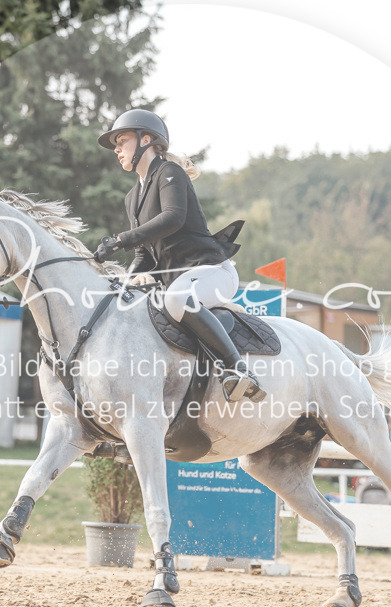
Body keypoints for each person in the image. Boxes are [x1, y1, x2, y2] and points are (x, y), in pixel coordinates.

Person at [93, 108, 264, 403]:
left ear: (146, 139)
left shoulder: (169, 174)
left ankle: (240, 371)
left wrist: (120, 239)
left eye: (122, 141)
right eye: (116, 146)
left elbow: (173, 218)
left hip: (213, 272)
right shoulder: (132, 198)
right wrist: (124, 284)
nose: (117, 150)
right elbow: (144, 254)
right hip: (180, 281)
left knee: (175, 299)